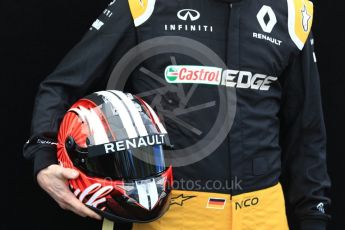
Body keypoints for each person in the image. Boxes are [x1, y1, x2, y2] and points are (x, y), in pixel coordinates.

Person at [23, 0, 331, 229]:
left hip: (265, 216)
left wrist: (313, 217)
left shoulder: (292, 12)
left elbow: (307, 131)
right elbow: (60, 86)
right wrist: (45, 158)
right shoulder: (145, 5)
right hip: (168, 214)